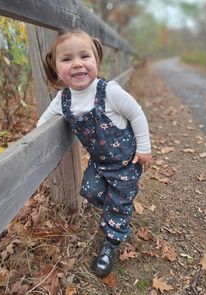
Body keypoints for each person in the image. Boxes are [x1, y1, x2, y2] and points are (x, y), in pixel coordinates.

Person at [37, 30, 152, 277]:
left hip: (125, 163)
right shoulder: (62, 99)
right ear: (57, 69)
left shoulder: (109, 91)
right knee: (89, 191)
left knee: (119, 204)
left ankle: (112, 240)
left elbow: (136, 113)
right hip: (99, 162)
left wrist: (144, 149)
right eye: (67, 59)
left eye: (84, 56)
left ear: (96, 62)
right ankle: (117, 210)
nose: (77, 63)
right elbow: (42, 125)